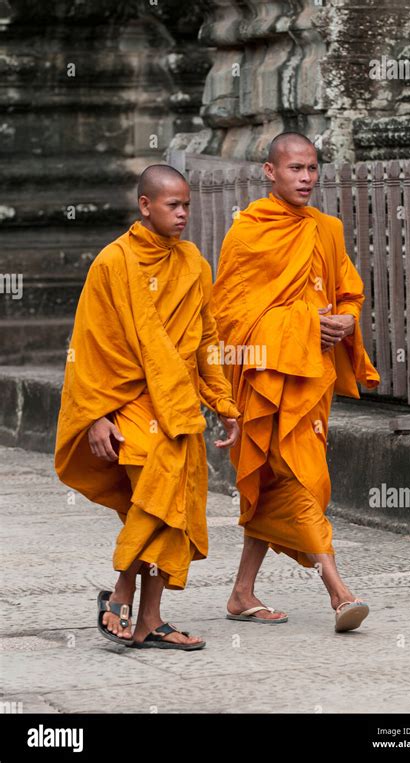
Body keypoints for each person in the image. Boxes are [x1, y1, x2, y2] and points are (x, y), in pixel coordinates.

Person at [55, 164, 240, 650]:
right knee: (155, 500)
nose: (182, 214)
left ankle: (148, 621)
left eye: (186, 206)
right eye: (172, 205)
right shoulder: (112, 263)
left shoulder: (194, 263)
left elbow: (206, 340)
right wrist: (95, 414)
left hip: (179, 405)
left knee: (171, 509)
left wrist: (223, 402)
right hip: (129, 404)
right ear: (145, 206)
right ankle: (119, 590)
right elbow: (90, 343)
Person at [211, 132, 380, 632]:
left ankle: (242, 592)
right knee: (295, 476)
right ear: (269, 172)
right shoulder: (247, 233)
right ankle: (337, 589)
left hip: (309, 380)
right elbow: (230, 318)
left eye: (312, 168)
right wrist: (308, 324)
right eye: (294, 169)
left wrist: (346, 321)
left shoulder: (326, 229)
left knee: (274, 480)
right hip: (265, 378)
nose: (306, 178)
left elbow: (349, 292)